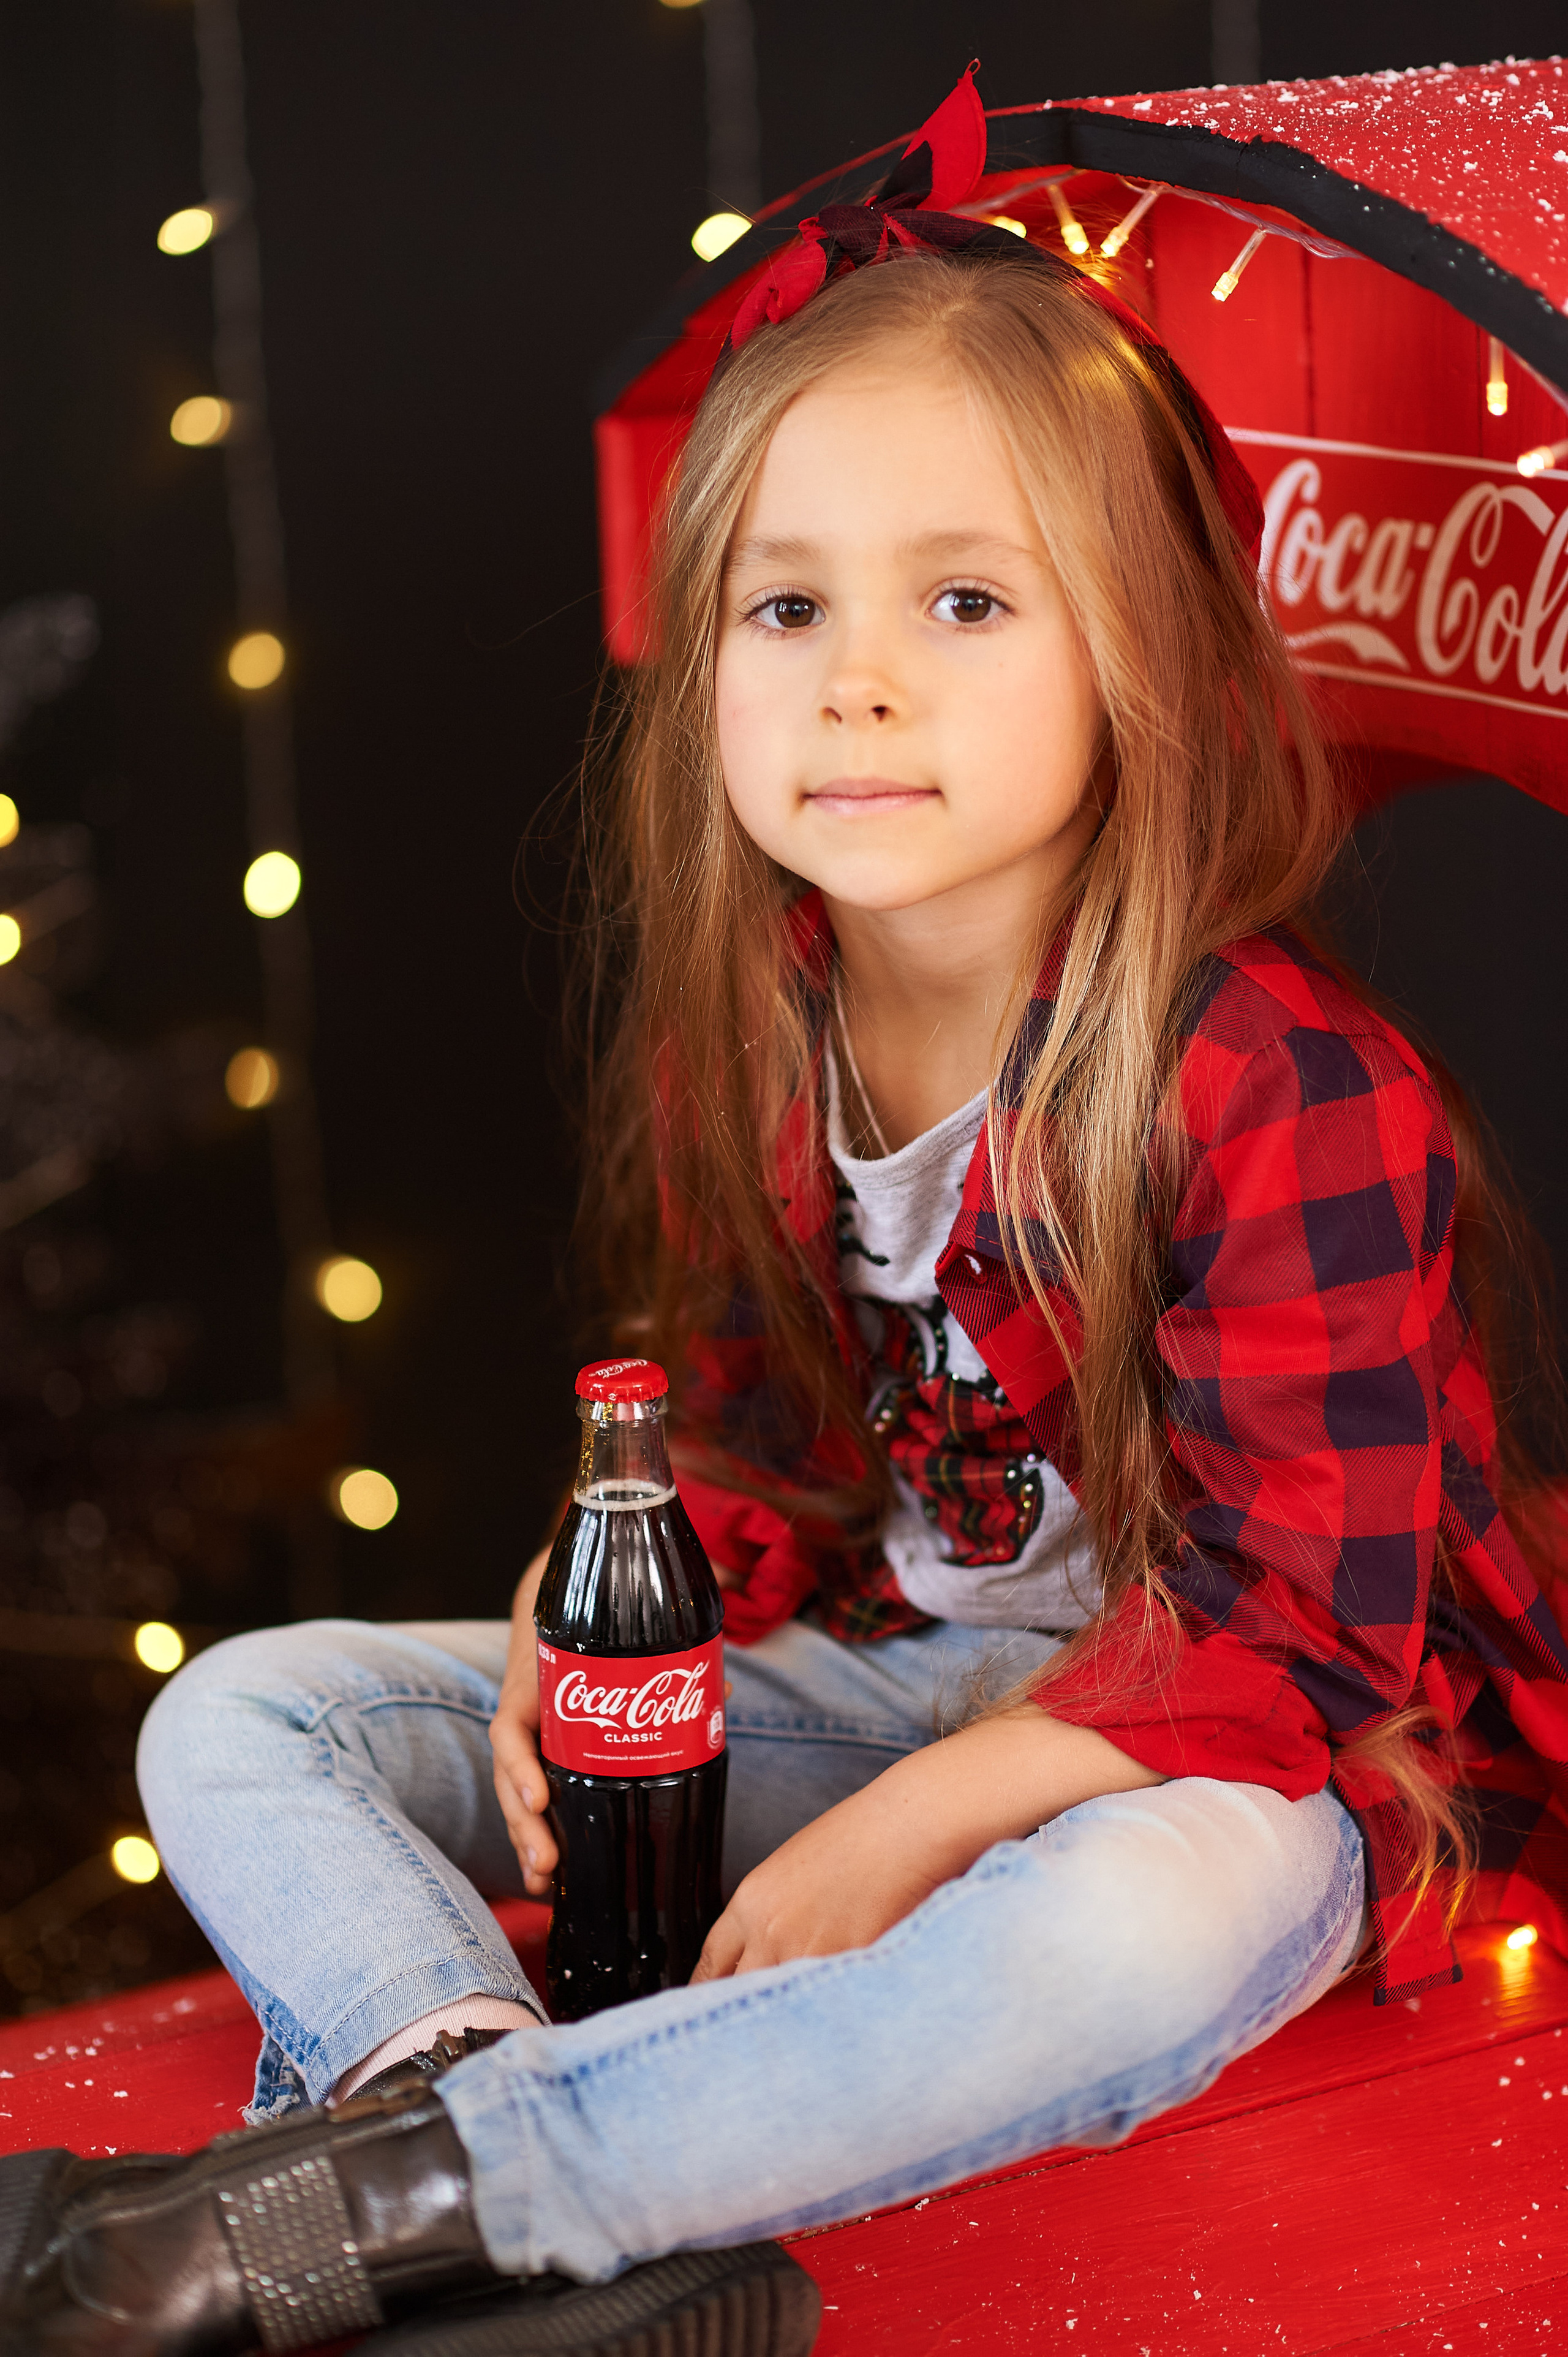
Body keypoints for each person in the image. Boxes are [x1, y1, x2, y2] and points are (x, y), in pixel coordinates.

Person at [7, 64, 1568, 2357]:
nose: (857, 681)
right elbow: (759, 1460)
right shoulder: (756, 1033)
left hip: (1221, 1766)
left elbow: (1308, 1641)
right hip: (905, 1680)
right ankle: (464, 2114)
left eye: (966, 600)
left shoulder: (1275, 1078)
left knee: (1125, 1935)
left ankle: (432, 2194)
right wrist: (582, 1608)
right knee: (255, 1715)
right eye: (785, 605)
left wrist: (911, 1826)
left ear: (1141, 651)